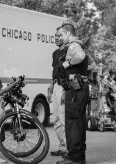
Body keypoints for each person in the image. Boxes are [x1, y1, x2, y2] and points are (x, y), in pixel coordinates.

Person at [56, 23, 89, 164]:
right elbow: (91, 64)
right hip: (79, 87)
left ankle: (74, 157)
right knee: (79, 121)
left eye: (61, 35)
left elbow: (80, 57)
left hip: (76, 89)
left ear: (68, 33)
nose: (60, 38)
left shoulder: (73, 45)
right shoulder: (81, 44)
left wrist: (67, 63)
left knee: (72, 122)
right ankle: (79, 156)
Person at [47, 26, 67, 156]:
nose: (56, 38)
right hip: (56, 86)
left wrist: (65, 91)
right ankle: (62, 146)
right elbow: (54, 73)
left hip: (65, 86)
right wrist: (50, 89)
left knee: (63, 117)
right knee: (55, 119)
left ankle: (68, 147)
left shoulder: (68, 52)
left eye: (59, 36)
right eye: (55, 36)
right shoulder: (55, 53)